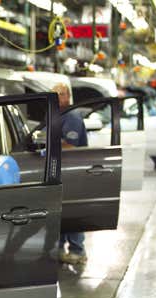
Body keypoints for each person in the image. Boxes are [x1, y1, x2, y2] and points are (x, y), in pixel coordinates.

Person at [52, 83, 88, 265]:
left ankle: (78, 250)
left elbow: (70, 144)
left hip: (73, 169)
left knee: (72, 211)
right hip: (60, 169)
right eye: (54, 94)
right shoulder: (55, 116)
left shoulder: (72, 117)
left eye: (61, 94)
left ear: (68, 97)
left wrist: (48, 145)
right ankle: (58, 247)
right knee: (61, 210)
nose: (57, 98)